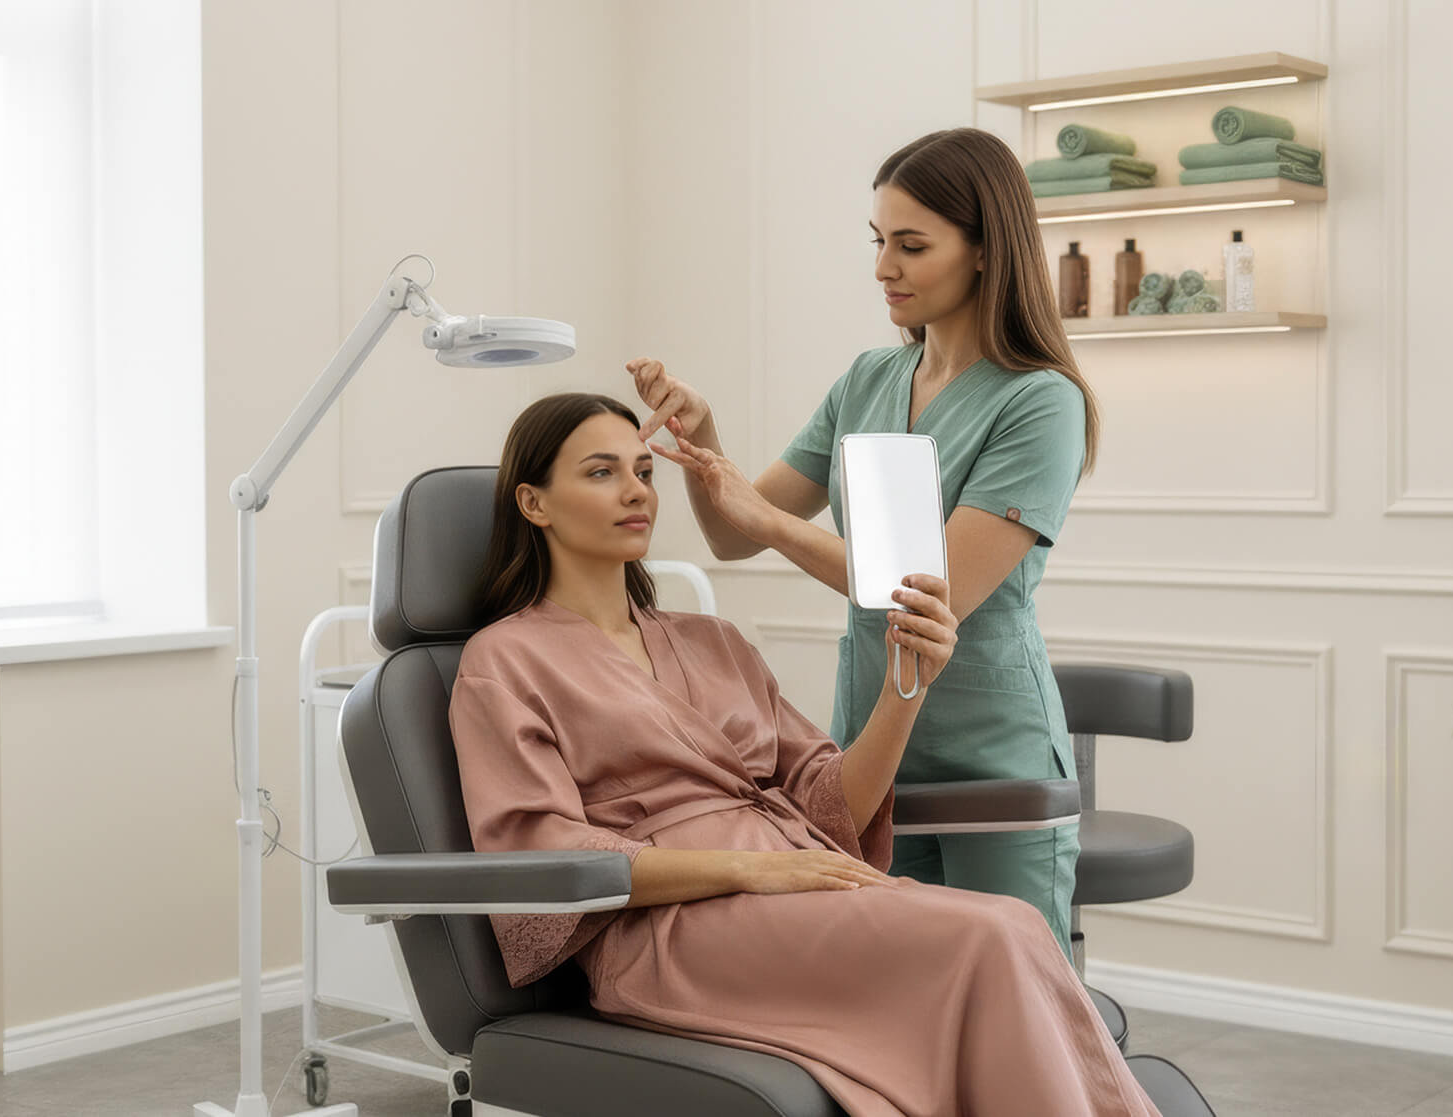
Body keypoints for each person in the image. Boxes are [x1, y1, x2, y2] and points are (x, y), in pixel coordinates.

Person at [453, 392, 1163, 1116]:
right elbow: (542, 851)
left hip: (797, 879)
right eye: (602, 472)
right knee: (992, 934)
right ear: (534, 503)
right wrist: (753, 870)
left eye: (643, 469)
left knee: (1010, 925)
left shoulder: (712, 639)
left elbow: (830, 805)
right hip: (667, 930)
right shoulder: (502, 660)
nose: (637, 489)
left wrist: (906, 685)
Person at [632, 127, 1099, 954]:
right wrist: (704, 437)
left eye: (912, 246)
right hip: (870, 754)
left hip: (995, 757)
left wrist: (770, 523)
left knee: (1022, 998)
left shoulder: (1039, 402)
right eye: (879, 241)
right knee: (900, 1002)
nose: (884, 267)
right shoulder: (867, 381)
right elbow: (734, 537)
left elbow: (927, 589)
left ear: (986, 250)